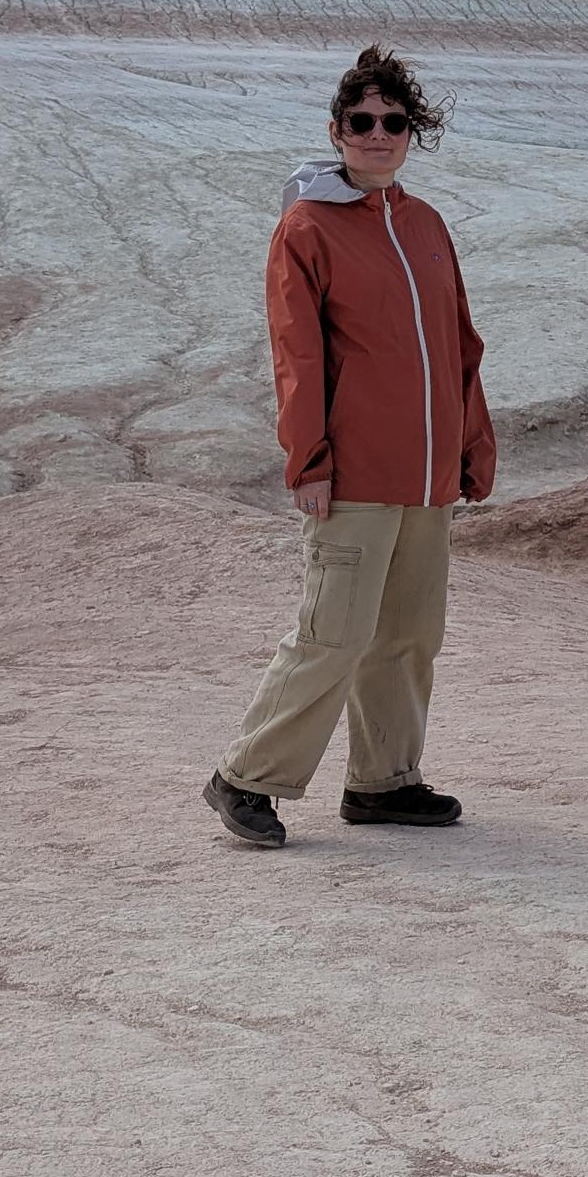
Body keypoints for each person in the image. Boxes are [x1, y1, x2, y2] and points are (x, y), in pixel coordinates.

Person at [205, 45, 494, 850]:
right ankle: (244, 777)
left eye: (392, 122)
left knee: (408, 635)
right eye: (361, 120)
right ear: (335, 131)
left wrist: (471, 444)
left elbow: (458, 345)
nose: (377, 134)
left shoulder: (424, 223)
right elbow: (296, 354)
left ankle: (384, 782)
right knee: (332, 632)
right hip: (355, 473)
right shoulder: (306, 227)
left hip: (426, 476)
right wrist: (309, 461)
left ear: (410, 134)